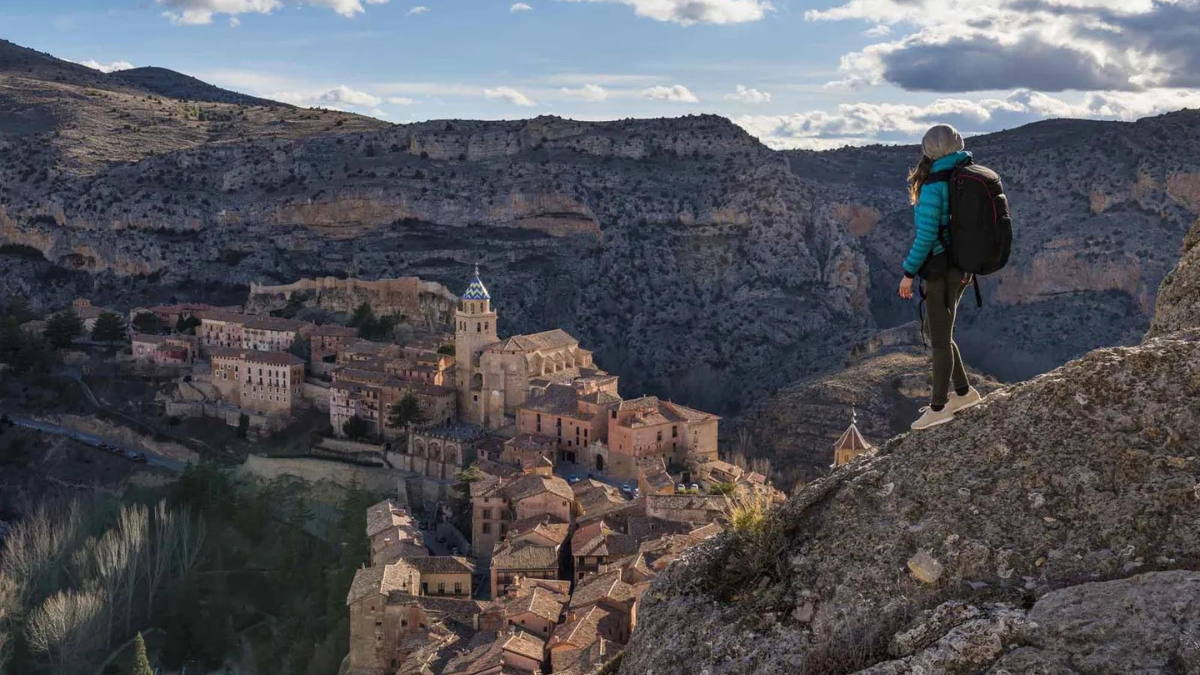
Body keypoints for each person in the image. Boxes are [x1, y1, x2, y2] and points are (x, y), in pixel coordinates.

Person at [898, 124, 983, 430]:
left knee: (937, 338)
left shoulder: (934, 186)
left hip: (942, 269)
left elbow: (925, 237)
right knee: (939, 329)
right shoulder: (965, 173)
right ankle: (963, 392)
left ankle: (939, 408)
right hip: (961, 267)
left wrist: (908, 273)